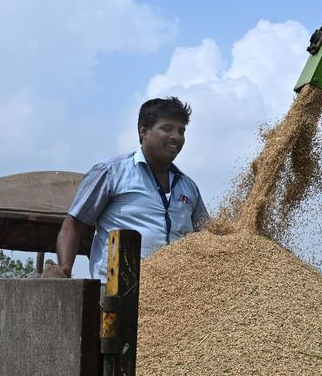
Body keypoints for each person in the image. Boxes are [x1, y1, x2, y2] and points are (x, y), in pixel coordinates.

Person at [54, 97, 208, 280]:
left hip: (175, 294)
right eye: (167, 128)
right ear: (144, 132)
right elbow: (75, 223)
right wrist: (63, 270)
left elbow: (206, 236)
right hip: (118, 292)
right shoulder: (111, 172)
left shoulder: (188, 187)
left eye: (181, 131)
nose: (176, 136)